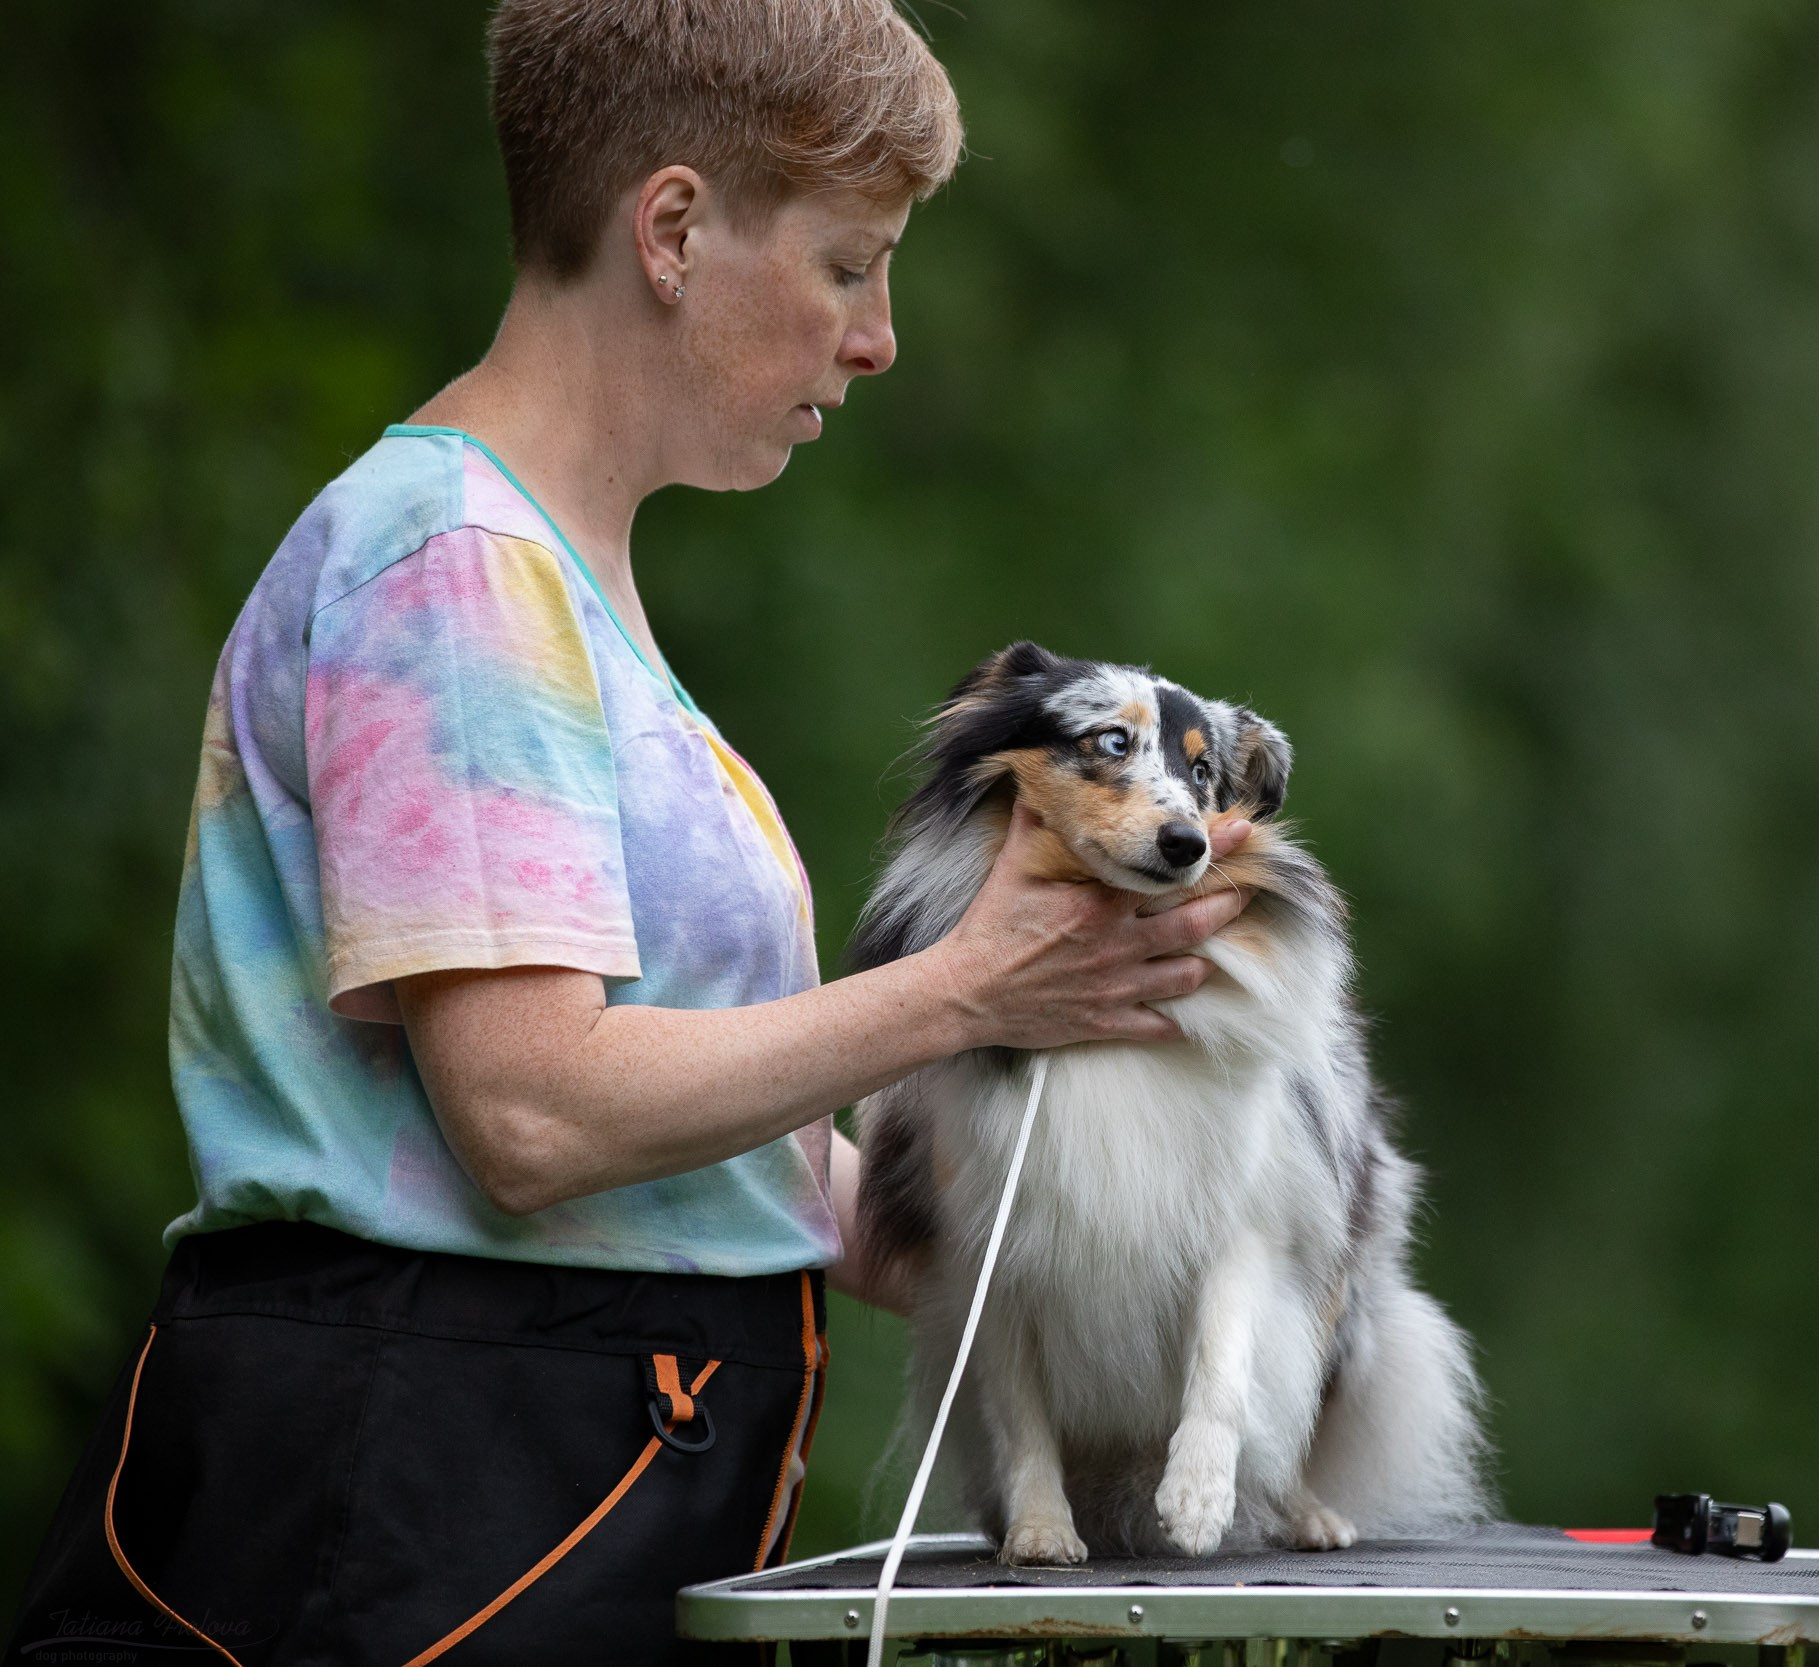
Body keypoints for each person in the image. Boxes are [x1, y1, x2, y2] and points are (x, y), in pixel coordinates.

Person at [4, 3, 1250, 1662]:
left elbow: (720, 1155)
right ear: (671, 229)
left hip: (523, 1474)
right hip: (426, 1486)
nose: (878, 338)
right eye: (849, 264)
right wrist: (965, 994)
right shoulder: (453, 570)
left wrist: (1165, 1235)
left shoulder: (563, 584)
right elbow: (530, 1112)